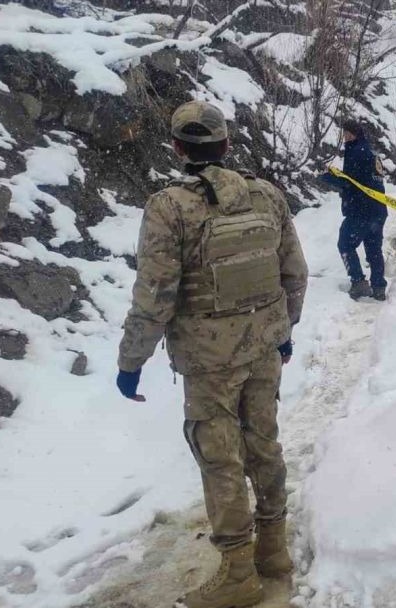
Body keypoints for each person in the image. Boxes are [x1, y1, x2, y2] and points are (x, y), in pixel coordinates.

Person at [115, 101, 309, 608]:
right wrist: (284, 331)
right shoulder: (266, 195)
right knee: (263, 443)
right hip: (264, 348)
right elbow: (294, 272)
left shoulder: (170, 207)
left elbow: (155, 294)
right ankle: (274, 551)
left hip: (208, 361)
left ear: (177, 149)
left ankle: (238, 574)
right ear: (226, 144)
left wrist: (131, 361)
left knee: (220, 459)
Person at [319, 120, 388, 301]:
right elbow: (362, 179)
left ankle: (358, 282)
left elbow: (349, 183)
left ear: (353, 134)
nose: (345, 137)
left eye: (347, 133)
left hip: (360, 210)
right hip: (378, 210)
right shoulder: (371, 153)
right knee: (374, 249)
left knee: (345, 244)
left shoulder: (356, 152)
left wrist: (327, 177)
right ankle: (379, 287)